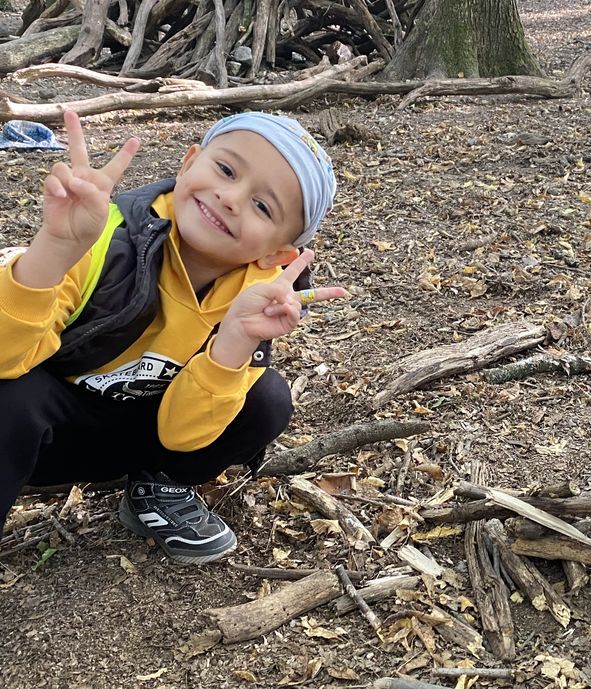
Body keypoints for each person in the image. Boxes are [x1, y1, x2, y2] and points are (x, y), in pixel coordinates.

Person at [0, 111, 347, 564]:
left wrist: (233, 345)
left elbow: (186, 435)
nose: (230, 197)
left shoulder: (254, 301)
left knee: (266, 398)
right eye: (226, 170)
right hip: (48, 434)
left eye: (263, 207)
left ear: (277, 254)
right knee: (12, 396)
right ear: (188, 164)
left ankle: (158, 487)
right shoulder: (99, 236)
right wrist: (53, 249)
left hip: (150, 435)